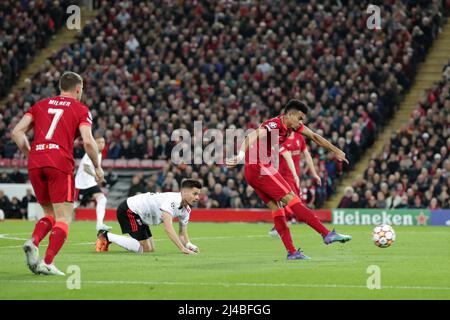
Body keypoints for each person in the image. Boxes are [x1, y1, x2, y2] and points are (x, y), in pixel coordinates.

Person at [227, 99, 352, 260]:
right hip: (259, 167)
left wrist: (336, 151)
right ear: (290, 115)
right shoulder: (273, 125)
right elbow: (252, 135)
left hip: (255, 170)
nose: (301, 122)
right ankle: (326, 234)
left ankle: (292, 252)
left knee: (277, 209)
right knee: (293, 200)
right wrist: (240, 156)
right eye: (300, 118)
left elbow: (314, 136)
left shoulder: (292, 127)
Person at [12, 71, 104, 276]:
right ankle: (47, 261)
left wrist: (30, 153)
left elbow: (16, 132)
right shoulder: (81, 108)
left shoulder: (40, 105)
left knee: (49, 214)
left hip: (37, 162)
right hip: (59, 163)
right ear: (78, 89)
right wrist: (97, 166)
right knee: (64, 217)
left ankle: (34, 241)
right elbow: (89, 141)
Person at [96, 179, 201, 255]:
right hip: (130, 209)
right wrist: (182, 249)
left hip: (141, 216)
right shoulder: (173, 201)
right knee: (145, 248)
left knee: (150, 250)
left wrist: (189, 246)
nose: (197, 198)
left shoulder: (186, 210)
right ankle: (106, 236)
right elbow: (168, 228)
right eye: (195, 194)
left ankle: (108, 238)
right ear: (184, 192)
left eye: (198, 194)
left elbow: (182, 234)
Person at [268, 131, 322, 237]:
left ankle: (280, 226)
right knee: (293, 203)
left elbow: (307, 155)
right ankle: (282, 225)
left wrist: (314, 173)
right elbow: (285, 158)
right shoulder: (282, 139)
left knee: (295, 203)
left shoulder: (300, 138)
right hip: (284, 177)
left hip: (295, 177)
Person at [74, 136, 111, 231]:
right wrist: (96, 175)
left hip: (90, 183)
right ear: (95, 143)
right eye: (99, 142)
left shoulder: (100, 154)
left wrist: (100, 176)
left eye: (103, 142)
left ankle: (99, 224)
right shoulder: (91, 152)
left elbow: (96, 167)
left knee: (102, 199)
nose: (102, 144)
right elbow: (86, 167)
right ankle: (56, 221)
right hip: (81, 184)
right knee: (73, 205)